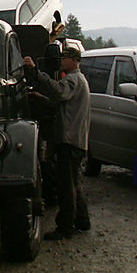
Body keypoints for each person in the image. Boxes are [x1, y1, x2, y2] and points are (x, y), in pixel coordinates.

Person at [23, 47, 91, 240]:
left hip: (69, 140)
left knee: (65, 186)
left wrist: (36, 72)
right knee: (74, 182)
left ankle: (65, 227)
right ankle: (82, 220)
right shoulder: (80, 81)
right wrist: (40, 98)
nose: (61, 60)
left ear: (74, 60)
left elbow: (58, 92)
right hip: (77, 140)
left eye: (64, 57)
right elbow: (58, 103)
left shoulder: (72, 80)